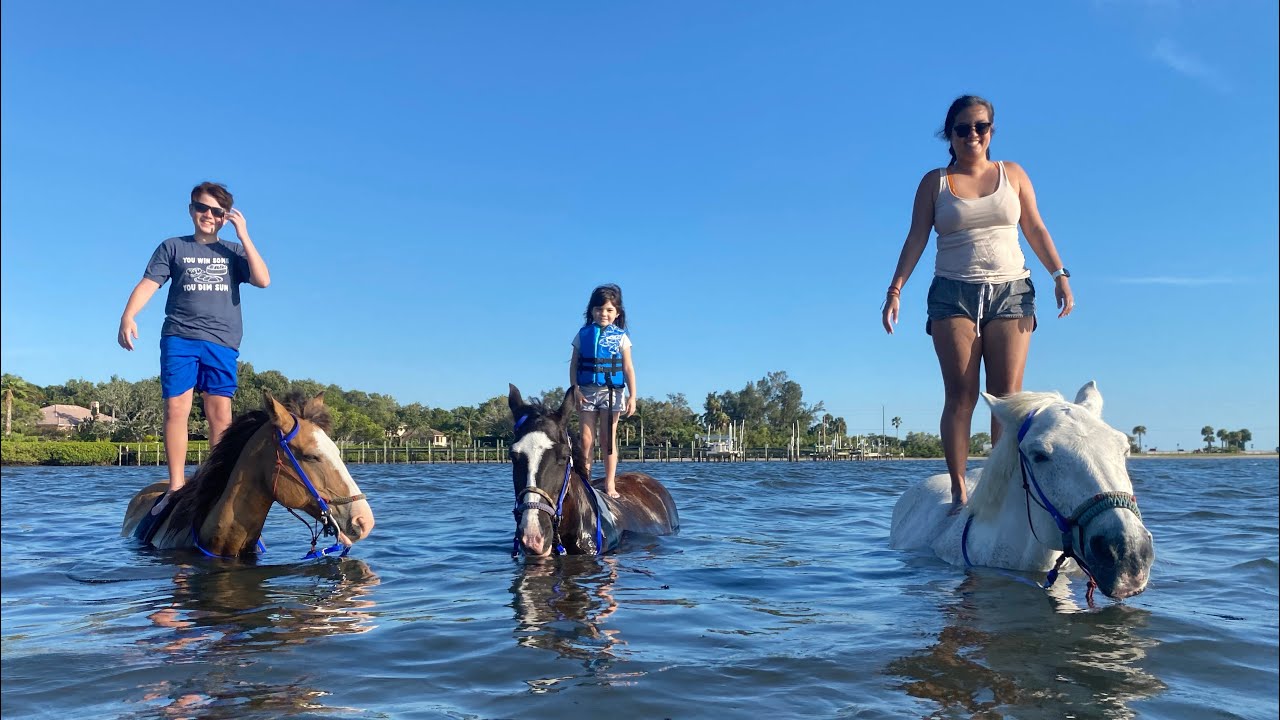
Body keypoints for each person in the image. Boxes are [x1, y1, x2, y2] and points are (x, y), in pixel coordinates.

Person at [882, 95, 1074, 515]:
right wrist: (895, 290)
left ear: (991, 131)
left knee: (1006, 399)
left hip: (1011, 291)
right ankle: (958, 492)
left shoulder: (1014, 174)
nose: (972, 135)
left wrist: (1059, 275)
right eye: (962, 128)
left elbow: (1035, 227)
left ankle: (999, 489)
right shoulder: (935, 182)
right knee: (962, 395)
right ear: (949, 135)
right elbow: (915, 238)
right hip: (953, 293)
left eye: (981, 127)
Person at [118, 182, 270, 514]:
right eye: (202, 208)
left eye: (217, 211)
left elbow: (263, 279)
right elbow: (148, 284)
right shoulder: (173, 247)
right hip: (179, 337)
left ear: (225, 216)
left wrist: (244, 234)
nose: (209, 216)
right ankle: (175, 487)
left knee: (221, 416)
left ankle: (218, 484)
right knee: (176, 410)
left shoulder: (233, 250)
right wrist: (128, 315)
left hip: (222, 341)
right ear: (191, 210)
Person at [569, 284, 637, 498]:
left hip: (611, 392)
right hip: (586, 391)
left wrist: (632, 396)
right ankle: (585, 481)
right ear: (592, 311)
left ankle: (610, 484)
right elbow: (573, 365)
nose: (603, 314)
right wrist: (575, 390)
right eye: (599, 309)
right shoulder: (583, 335)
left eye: (609, 310)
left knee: (607, 440)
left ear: (617, 313)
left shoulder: (622, 338)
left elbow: (627, 367)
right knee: (586, 440)